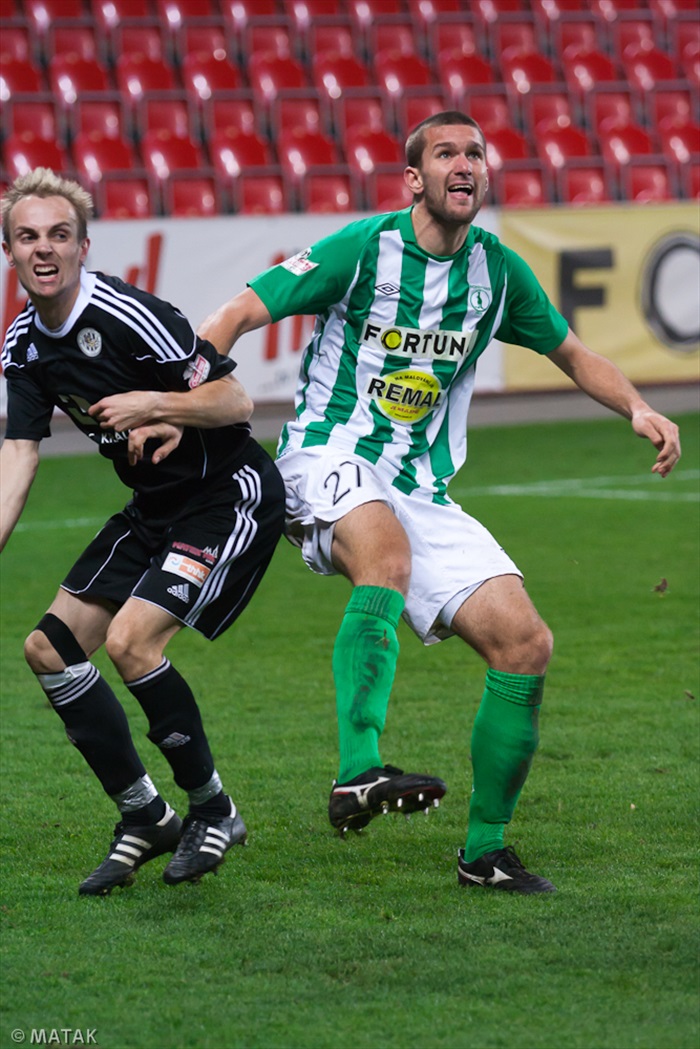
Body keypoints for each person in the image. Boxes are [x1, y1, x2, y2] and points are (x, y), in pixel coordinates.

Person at [197, 111, 681, 895]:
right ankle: (357, 770)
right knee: (384, 556)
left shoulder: (497, 270)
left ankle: (483, 852)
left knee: (526, 642)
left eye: (476, 153)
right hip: (327, 456)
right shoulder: (364, 247)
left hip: (419, 485)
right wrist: (194, 385)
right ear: (415, 179)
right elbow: (242, 311)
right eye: (446, 153)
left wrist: (636, 407)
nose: (466, 163)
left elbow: (571, 351)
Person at [0, 168, 286, 896]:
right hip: (153, 510)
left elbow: (234, 398)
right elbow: (19, 455)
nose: (43, 248)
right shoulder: (23, 345)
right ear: (10, 253)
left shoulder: (128, 314)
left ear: (84, 246)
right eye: (27, 236)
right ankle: (145, 814)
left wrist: (156, 404)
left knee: (131, 642)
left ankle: (214, 807)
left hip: (227, 493)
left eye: (59, 235)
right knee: (49, 649)